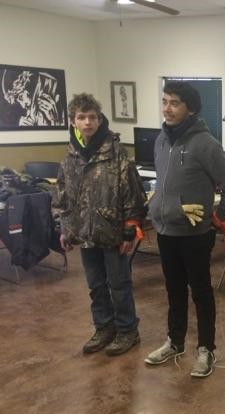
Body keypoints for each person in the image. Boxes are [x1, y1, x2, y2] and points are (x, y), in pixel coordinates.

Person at [144, 81, 225, 378]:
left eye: (175, 103)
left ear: (191, 108)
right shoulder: (161, 140)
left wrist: (219, 215)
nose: (167, 108)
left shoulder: (206, 143)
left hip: (195, 235)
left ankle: (206, 349)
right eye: (165, 101)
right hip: (166, 230)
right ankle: (175, 342)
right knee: (173, 290)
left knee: (201, 292)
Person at [55, 93, 147, 356]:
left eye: (92, 117)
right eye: (81, 117)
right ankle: (104, 327)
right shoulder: (70, 156)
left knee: (119, 285)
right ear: (73, 121)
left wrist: (130, 228)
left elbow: (133, 193)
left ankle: (128, 330)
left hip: (113, 232)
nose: (87, 122)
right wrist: (65, 228)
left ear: (99, 119)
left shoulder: (116, 152)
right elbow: (62, 196)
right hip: (84, 233)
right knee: (96, 285)